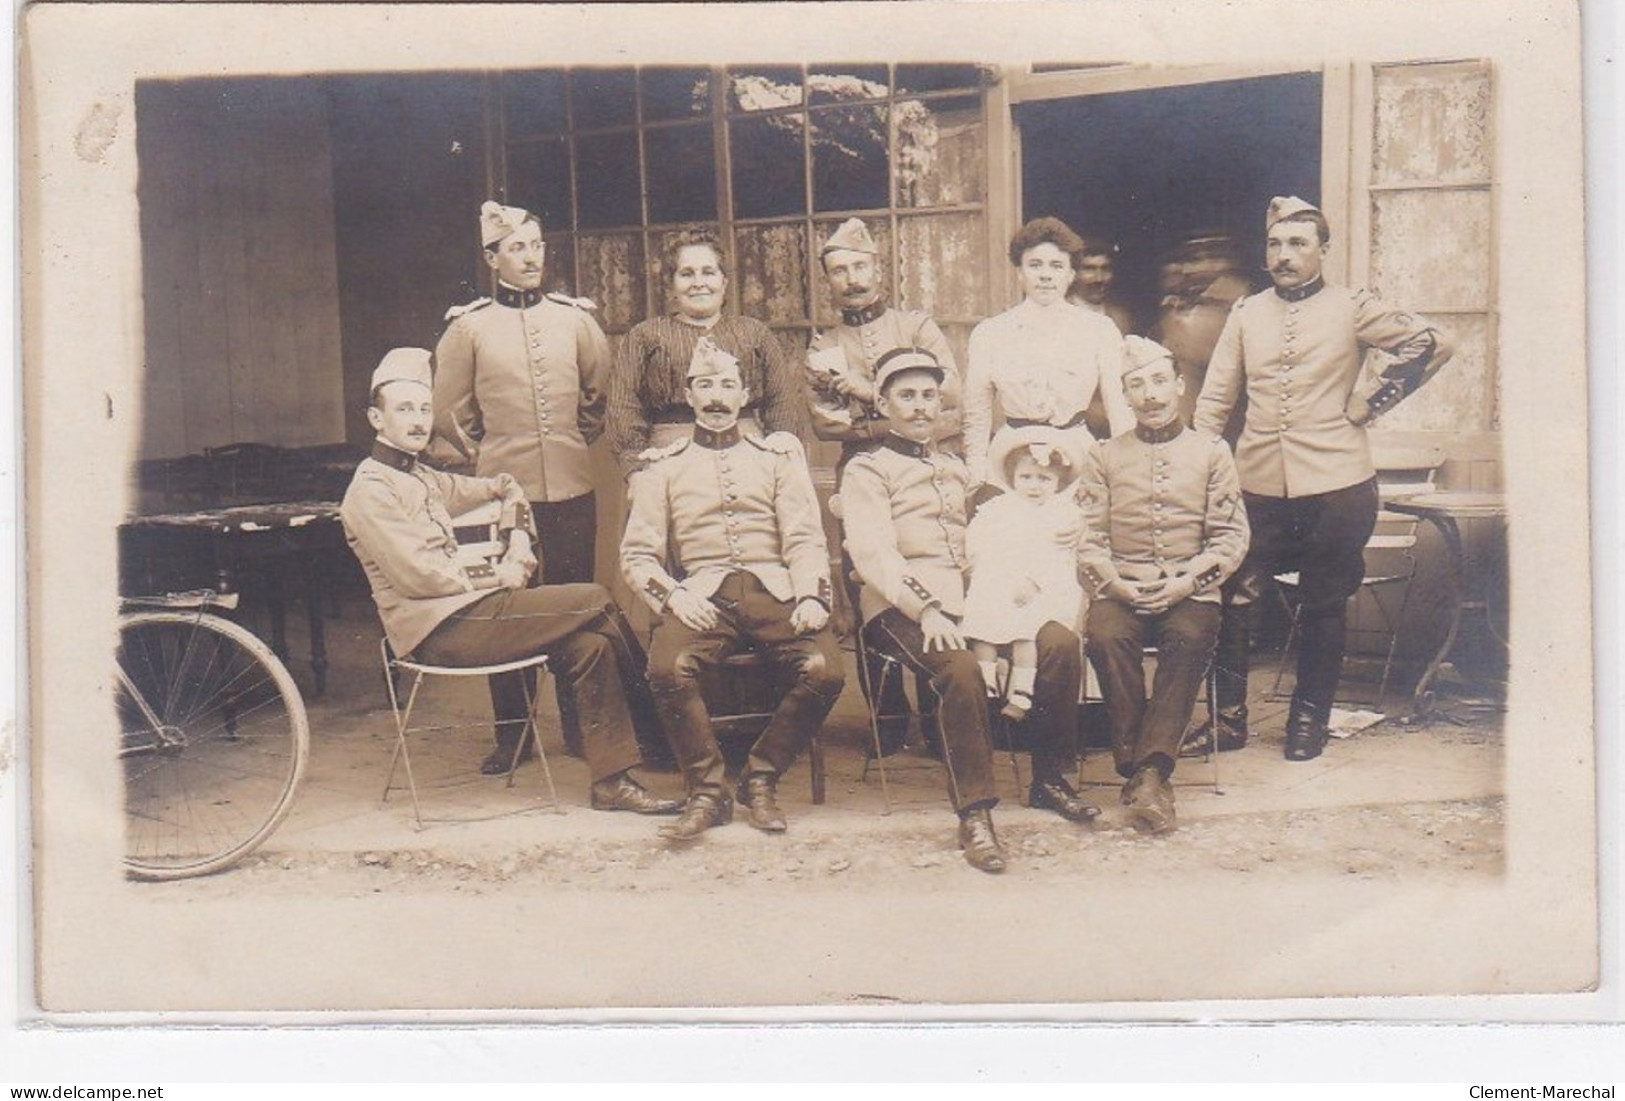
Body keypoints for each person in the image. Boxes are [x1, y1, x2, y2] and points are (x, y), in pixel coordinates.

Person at [341, 348, 681, 816]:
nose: (419, 421)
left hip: (475, 615)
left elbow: (504, 485)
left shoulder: (422, 477)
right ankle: (671, 736)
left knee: (590, 648)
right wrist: (496, 573)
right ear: (377, 419)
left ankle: (611, 783)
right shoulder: (371, 489)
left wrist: (519, 536)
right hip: (440, 631)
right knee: (598, 600)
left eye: (424, 409)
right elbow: (418, 574)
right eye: (404, 410)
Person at [1194, 196, 1454, 762]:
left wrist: (1371, 400)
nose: (1283, 256)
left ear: (1323, 251)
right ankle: (1227, 720)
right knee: (1233, 593)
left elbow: (1433, 342)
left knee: (1324, 602)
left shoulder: (1352, 306)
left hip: (1337, 484)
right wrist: (1203, 469)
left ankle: (1307, 720)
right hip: (1257, 483)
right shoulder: (1246, 313)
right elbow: (1216, 398)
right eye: (1275, 244)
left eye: (1298, 244)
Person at [841, 349, 1099, 875]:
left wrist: (1069, 527)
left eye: (928, 396)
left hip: (976, 600)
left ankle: (1050, 779)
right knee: (958, 666)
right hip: (899, 606)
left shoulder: (956, 469)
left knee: (1058, 642)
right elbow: (874, 555)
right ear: (885, 404)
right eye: (906, 396)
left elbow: (1011, 524)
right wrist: (928, 608)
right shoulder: (866, 470)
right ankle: (976, 812)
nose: (919, 407)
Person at [430, 200, 648, 774]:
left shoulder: (576, 321)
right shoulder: (469, 328)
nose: (531, 257)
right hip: (503, 494)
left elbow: (597, 396)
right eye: (517, 248)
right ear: (491, 257)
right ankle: (514, 734)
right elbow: (451, 415)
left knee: (576, 607)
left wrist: (567, 444)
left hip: (573, 485)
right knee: (508, 610)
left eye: (537, 245)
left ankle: (583, 729)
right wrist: (492, 456)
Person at [621, 339, 844, 841]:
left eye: (727, 385)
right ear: (688, 394)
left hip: (776, 592)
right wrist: (675, 597)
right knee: (665, 668)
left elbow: (806, 539)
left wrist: (810, 595)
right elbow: (637, 555)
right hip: (704, 596)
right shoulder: (664, 466)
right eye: (705, 385)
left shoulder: (777, 458)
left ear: (745, 395)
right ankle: (707, 790)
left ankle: (760, 779)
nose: (716, 396)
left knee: (825, 670)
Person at [1080, 337, 1250, 833]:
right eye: (1137, 385)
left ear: (1179, 386)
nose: (1150, 395)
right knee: (1107, 637)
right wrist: (1115, 585)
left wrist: (1187, 582)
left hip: (1189, 588)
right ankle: (1149, 776)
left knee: (1190, 636)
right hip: (1122, 586)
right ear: (1125, 396)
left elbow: (1231, 536)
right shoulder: (1104, 455)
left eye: (1159, 381)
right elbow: (1087, 538)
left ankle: (1147, 770)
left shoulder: (1212, 452)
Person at [807, 216, 960, 756]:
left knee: (933, 563)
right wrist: (881, 413)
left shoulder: (916, 328)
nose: (851, 279)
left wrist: (861, 394)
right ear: (828, 282)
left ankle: (942, 712)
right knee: (867, 579)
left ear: (878, 268)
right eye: (839, 271)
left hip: (923, 463)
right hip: (859, 469)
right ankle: (888, 716)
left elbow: (953, 400)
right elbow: (826, 423)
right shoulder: (824, 343)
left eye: (859, 266)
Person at [607, 228, 809, 478]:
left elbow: (781, 403)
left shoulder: (755, 334)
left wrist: (779, 459)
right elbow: (623, 407)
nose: (698, 283)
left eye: (708, 272)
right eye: (686, 274)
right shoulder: (644, 336)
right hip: (668, 461)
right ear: (672, 284)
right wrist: (638, 469)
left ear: (724, 282)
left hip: (747, 457)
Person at [964, 217, 1133, 492]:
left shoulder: (1099, 330)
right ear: (1019, 272)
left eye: (1056, 266)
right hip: (1011, 458)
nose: (1045, 275)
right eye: (1035, 265)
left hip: (1077, 455)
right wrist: (977, 473)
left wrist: (1125, 474)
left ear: (1070, 275)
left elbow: (1119, 411)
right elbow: (977, 414)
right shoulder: (990, 333)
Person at [961, 425, 1087, 721]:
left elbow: (1057, 556)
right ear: (1012, 478)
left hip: (1044, 587)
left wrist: (1034, 582)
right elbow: (977, 535)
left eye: (1044, 479)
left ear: (1058, 482)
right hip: (1003, 580)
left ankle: (1022, 691)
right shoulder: (999, 507)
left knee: (1025, 629)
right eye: (1026, 477)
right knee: (983, 619)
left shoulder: (1062, 513)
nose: (1034, 485)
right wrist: (976, 561)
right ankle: (987, 683)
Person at [1067, 236, 1135, 336]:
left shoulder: (1121, 318)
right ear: (1073, 273)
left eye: (1105, 269)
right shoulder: (1058, 313)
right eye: (1089, 269)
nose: (1099, 279)